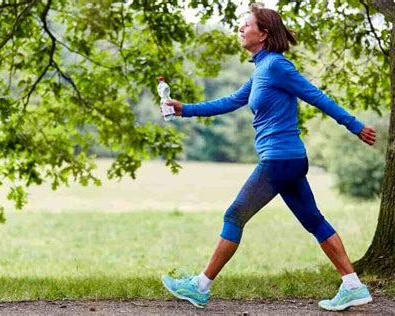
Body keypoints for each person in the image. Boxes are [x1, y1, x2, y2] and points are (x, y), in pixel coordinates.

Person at [161, 4, 377, 312]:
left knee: (234, 216)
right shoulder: (261, 70)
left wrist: (354, 126)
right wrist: (185, 109)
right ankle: (353, 285)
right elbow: (230, 101)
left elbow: (316, 96)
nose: (241, 28)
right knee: (314, 220)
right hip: (287, 161)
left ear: (263, 34)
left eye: (246, 24)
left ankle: (200, 286)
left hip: (279, 160)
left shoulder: (277, 66)